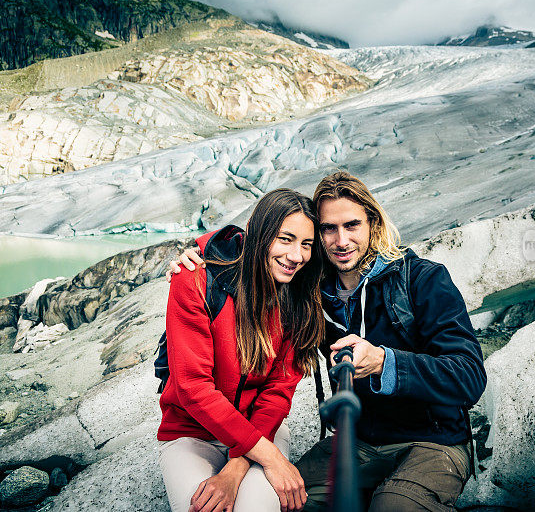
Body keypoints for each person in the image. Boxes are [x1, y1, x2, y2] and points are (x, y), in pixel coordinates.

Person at [171, 171, 486, 511]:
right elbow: (259, 243)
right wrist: (198, 250)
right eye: (328, 229)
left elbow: (469, 377)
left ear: (372, 224)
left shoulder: (422, 279)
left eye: (352, 225)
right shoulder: (311, 294)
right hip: (360, 441)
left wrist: (384, 362)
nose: (341, 240)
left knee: (395, 507)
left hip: (433, 442)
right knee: (287, 500)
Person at [158, 188, 324, 512]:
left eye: (306, 244)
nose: (296, 256)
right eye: (285, 239)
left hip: (262, 427)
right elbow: (193, 388)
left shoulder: (298, 298)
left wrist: (237, 467)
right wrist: (270, 457)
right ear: (259, 232)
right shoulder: (196, 279)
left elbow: (277, 393)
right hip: (192, 434)